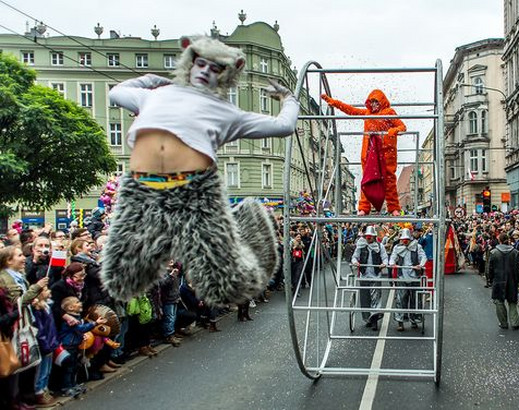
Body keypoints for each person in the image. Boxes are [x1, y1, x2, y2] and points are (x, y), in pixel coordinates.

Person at [102, 35, 298, 307]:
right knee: (121, 280)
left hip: (194, 191)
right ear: (190, 63)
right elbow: (116, 92)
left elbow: (283, 126)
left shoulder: (227, 112)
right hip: (142, 189)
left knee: (228, 288)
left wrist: (289, 99)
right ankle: (172, 239)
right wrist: (150, 78)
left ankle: (247, 219)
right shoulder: (155, 95)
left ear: (228, 74)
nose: (205, 71)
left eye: (215, 68)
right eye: (201, 64)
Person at [321, 90, 406, 215]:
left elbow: (402, 127)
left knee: (389, 179)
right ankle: (364, 207)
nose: (373, 105)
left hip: (386, 152)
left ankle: (393, 207)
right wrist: (334, 102)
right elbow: (351, 110)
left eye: (376, 101)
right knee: (367, 179)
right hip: (369, 152)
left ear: (381, 101)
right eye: (371, 102)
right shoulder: (367, 113)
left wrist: (394, 130)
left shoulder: (389, 113)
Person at [57, 296, 106, 397]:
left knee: (74, 366)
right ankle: (66, 387)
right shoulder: (71, 320)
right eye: (77, 302)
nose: (80, 303)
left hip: (74, 345)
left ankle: (73, 384)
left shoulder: (76, 317)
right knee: (68, 368)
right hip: (68, 346)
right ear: (70, 308)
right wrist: (95, 323)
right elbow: (80, 328)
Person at [351, 226, 388, 331]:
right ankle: (368, 319)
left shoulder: (380, 247)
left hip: (376, 276)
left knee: (375, 298)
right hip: (364, 275)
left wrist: (383, 264)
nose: (368, 238)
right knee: (365, 299)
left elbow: (385, 258)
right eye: (367, 236)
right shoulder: (361, 246)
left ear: (374, 237)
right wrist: (355, 262)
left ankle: (374, 321)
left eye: (370, 236)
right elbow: (354, 257)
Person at [389, 228, 427, 331]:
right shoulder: (397, 248)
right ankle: (400, 322)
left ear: (410, 239)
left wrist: (420, 265)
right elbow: (393, 257)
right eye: (403, 239)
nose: (404, 241)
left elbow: (423, 257)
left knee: (415, 300)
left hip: (415, 277)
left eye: (406, 239)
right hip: (402, 276)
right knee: (401, 300)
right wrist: (392, 263)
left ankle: (414, 320)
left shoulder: (417, 247)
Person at [488, 233, 519, 330]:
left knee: (499, 301)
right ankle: (515, 322)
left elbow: (490, 268)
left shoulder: (494, 252)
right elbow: (518, 269)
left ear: (499, 240)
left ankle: (503, 323)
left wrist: (490, 280)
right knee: (512, 302)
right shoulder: (515, 252)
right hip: (512, 280)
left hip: (498, 280)